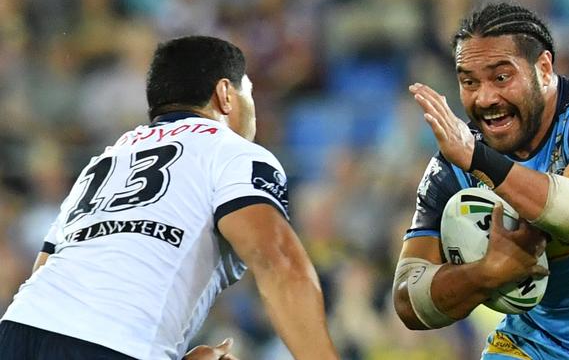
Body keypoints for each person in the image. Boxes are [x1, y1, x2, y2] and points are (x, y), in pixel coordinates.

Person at [0, 36, 339, 360]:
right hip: (115, 345)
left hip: (18, 331)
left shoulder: (105, 161)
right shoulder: (233, 152)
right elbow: (277, 262)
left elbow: (46, 269)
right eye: (247, 92)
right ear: (225, 94)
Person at [393, 2, 569, 359]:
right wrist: (484, 275)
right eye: (469, 82)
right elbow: (408, 300)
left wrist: (481, 161)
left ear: (543, 68)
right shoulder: (453, 163)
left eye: (501, 77)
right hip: (539, 346)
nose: (485, 98)